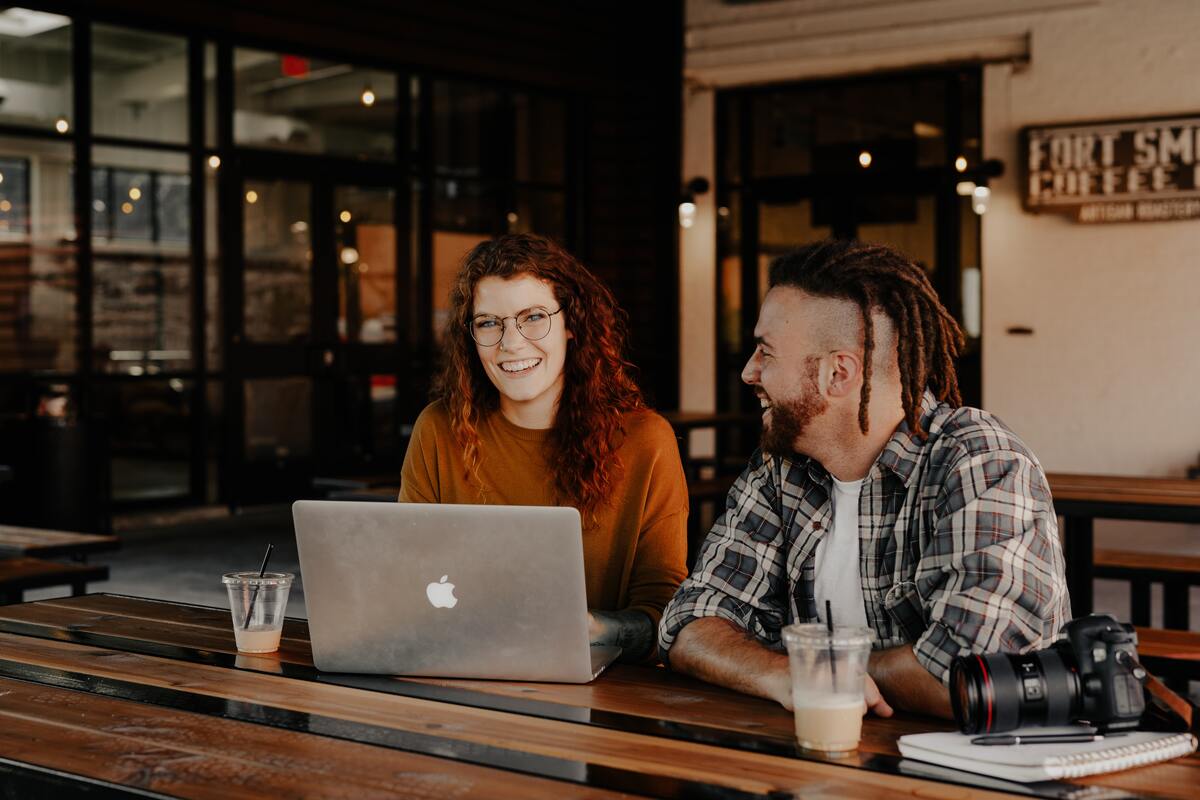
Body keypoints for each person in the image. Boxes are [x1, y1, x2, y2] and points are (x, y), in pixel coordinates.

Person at [658, 239, 1070, 718]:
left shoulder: (980, 461)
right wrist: (779, 674)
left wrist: (816, 673)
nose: (749, 371)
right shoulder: (781, 467)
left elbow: (971, 673)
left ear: (838, 373)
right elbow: (690, 623)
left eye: (766, 352)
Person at [400, 233, 688, 662]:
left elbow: (663, 610)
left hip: (601, 690)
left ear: (572, 324)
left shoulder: (646, 440)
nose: (511, 343)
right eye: (488, 323)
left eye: (533, 317)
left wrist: (592, 629)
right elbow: (402, 578)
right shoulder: (438, 429)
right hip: (456, 667)